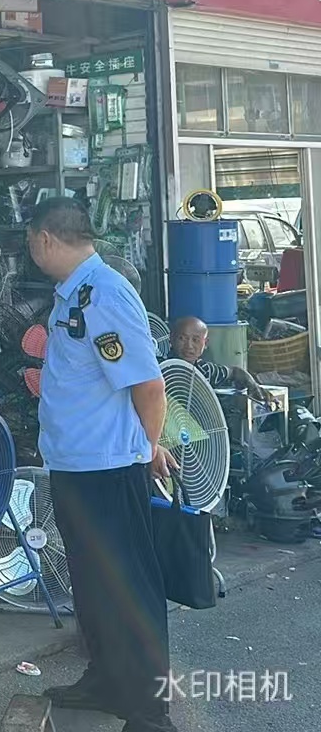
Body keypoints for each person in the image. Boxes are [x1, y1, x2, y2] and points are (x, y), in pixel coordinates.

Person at [25, 199, 178, 732]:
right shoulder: (74, 294)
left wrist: (148, 448)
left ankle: (150, 711)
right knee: (92, 585)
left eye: (30, 242)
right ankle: (107, 680)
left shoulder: (105, 293)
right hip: (76, 466)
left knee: (128, 589)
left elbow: (149, 386)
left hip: (108, 470)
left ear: (46, 239)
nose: (30, 251)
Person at [170, 316, 273, 406]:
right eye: (182, 338)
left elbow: (235, 371)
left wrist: (253, 386)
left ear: (205, 343)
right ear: (171, 339)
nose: (189, 346)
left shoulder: (205, 370)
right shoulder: (163, 370)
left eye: (195, 340)